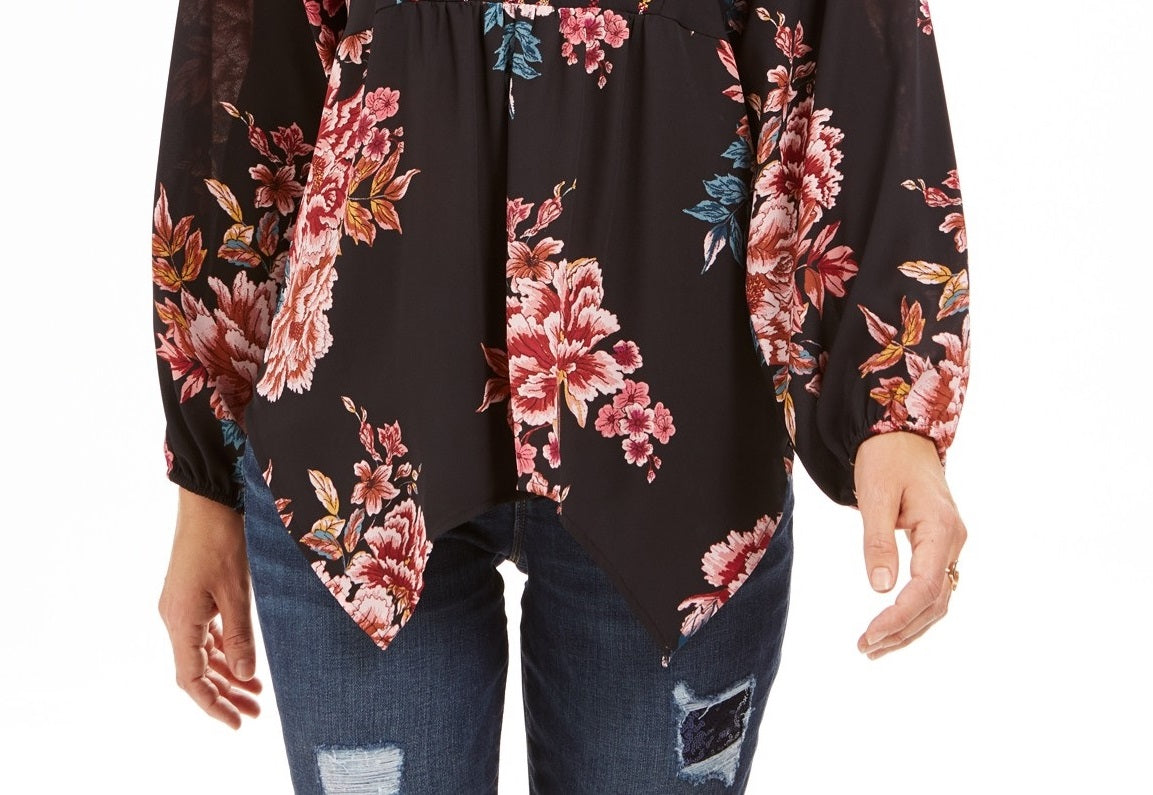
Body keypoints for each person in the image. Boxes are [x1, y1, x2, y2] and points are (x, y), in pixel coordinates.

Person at [153, 0, 969, 792]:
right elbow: (246, 70)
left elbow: (849, 38)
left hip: (679, 463)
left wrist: (893, 413)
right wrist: (206, 483)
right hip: (356, 458)